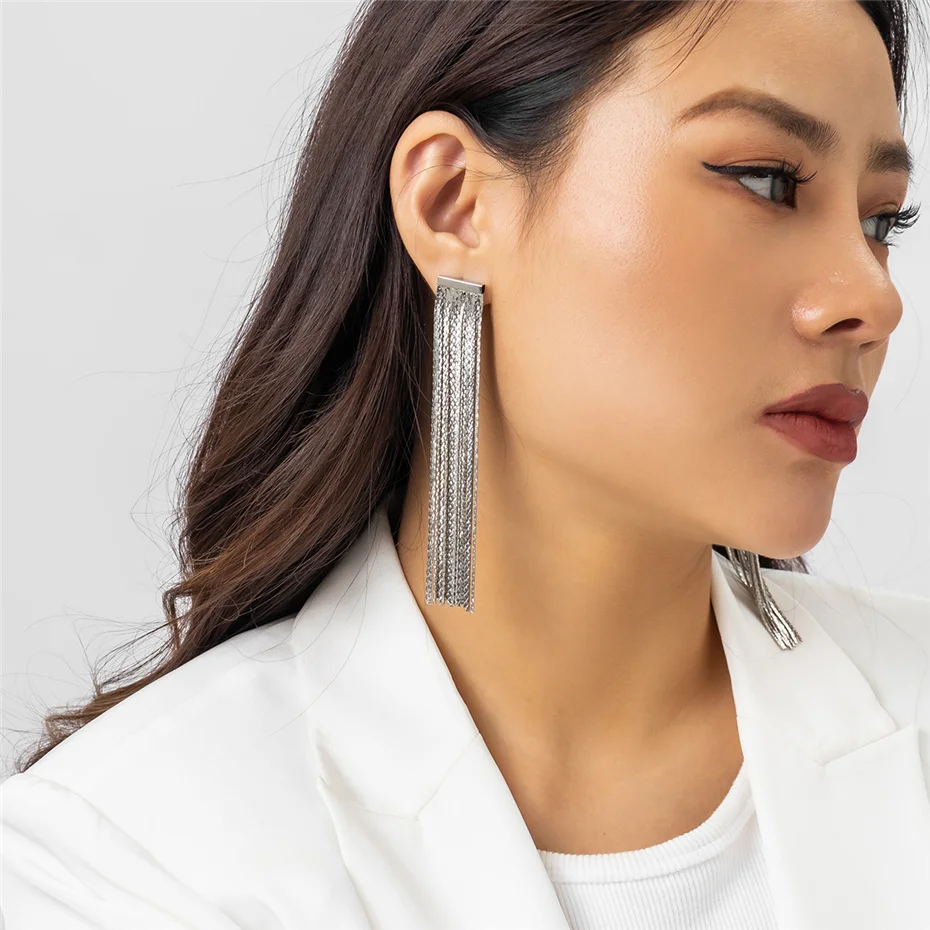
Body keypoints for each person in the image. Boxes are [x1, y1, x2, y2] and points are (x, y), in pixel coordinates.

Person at [2, 1, 929, 928]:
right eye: (767, 181)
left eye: (881, 220)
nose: (873, 299)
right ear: (455, 203)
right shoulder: (122, 858)